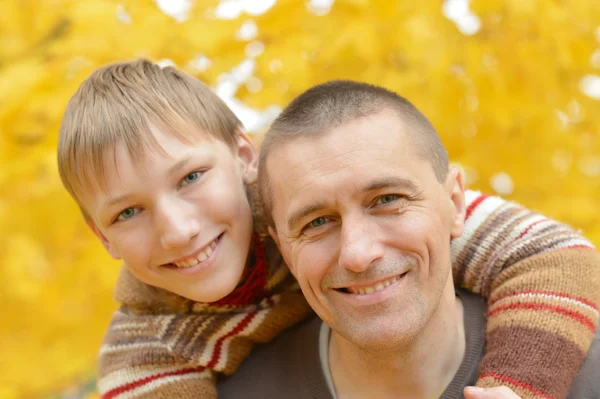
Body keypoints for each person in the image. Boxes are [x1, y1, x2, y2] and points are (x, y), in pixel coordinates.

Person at [56, 61, 599, 398]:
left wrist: (517, 388)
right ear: (100, 236)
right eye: (127, 213)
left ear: (245, 155)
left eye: (192, 177)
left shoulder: (320, 200)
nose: (176, 230)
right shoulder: (149, 343)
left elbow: (557, 254)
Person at [219, 80, 600, 399]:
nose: (358, 253)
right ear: (281, 246)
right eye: (317, 222)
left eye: (387, 200)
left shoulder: (585, 373)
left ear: (454, 203)